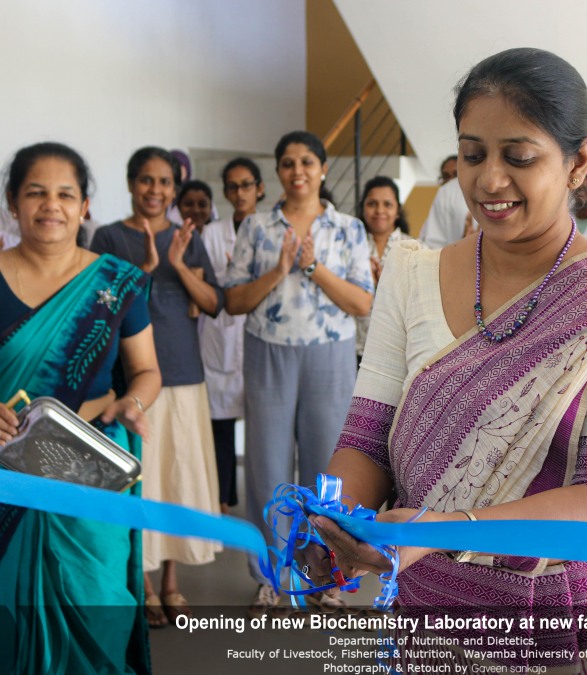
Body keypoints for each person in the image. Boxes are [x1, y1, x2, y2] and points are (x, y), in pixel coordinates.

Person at [302, 48, 587, 675]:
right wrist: (334, 522)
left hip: (572, 633)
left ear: (578, 161)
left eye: (519, 157)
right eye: (473, 155)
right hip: (428, 625)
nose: (488, 181)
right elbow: (367, 439)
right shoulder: (413, 274)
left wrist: (441, 529)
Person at [0, 141, 159, 674]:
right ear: (12, 201)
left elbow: (147, 372)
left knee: (99, 600)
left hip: (91, 468)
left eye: (65, 194)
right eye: (36, 192)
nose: (50, 205)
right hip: (3, 464)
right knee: (17, 608)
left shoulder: (118, 281)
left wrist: (131, 400)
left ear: (84, 207)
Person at [223, 130, 374, 613]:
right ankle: (272, 575)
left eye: (307, 161)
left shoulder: (347, 228)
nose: (298, 170)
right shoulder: (257, 228)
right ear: (279, 172)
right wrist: (280, 267)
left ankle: (325, 573)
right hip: (269, 351)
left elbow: (362, 302)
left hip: (330, 354)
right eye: (288, 162)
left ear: (323, 169)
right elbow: (234, 301)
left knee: (328, 470)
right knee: (266, 464)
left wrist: (312, 268)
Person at [90, 146, 225, 627]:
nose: (155, 190)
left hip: (185, 375)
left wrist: (177, 262)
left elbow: (213, 303)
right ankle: (142, 585)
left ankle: (170, 582)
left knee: (177, 481)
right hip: (131, 384)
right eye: (146, 180)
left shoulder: (188, 237)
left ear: (175, 188)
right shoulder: (107, 236)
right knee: (141, 481)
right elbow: (100, 310)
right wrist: (145, 271)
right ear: (130, 184)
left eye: (164, 182)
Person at [180, 179, 242, 515]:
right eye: (189, 204)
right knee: (215, 424)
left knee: (227, 425)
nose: (196, 210)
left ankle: (226, 496)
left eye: (202, 204)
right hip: (205, 336)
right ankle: (216, 497)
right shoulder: (188, 240)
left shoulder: (216, 233)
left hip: (233, 333)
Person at [355, 175, 418, 359]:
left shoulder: (415, 247)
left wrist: (390, 282)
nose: (379, 210)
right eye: (372, 204)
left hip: (399, 348)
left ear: (398, 210)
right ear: (363, 208)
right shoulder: (350, 245)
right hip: (355, 346)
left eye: (387, 204)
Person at [418, 171, 470, 249]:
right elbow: (434, 244)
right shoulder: (447, 191)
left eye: (454, 175)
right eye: (445, 176)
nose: (450, 179)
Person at [222, 157, 266, 233]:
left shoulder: (269, 229)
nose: (239, 193)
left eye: (246, 185)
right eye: (232, 187)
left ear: (260, 189)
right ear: (225, 193)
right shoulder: (213, 232)